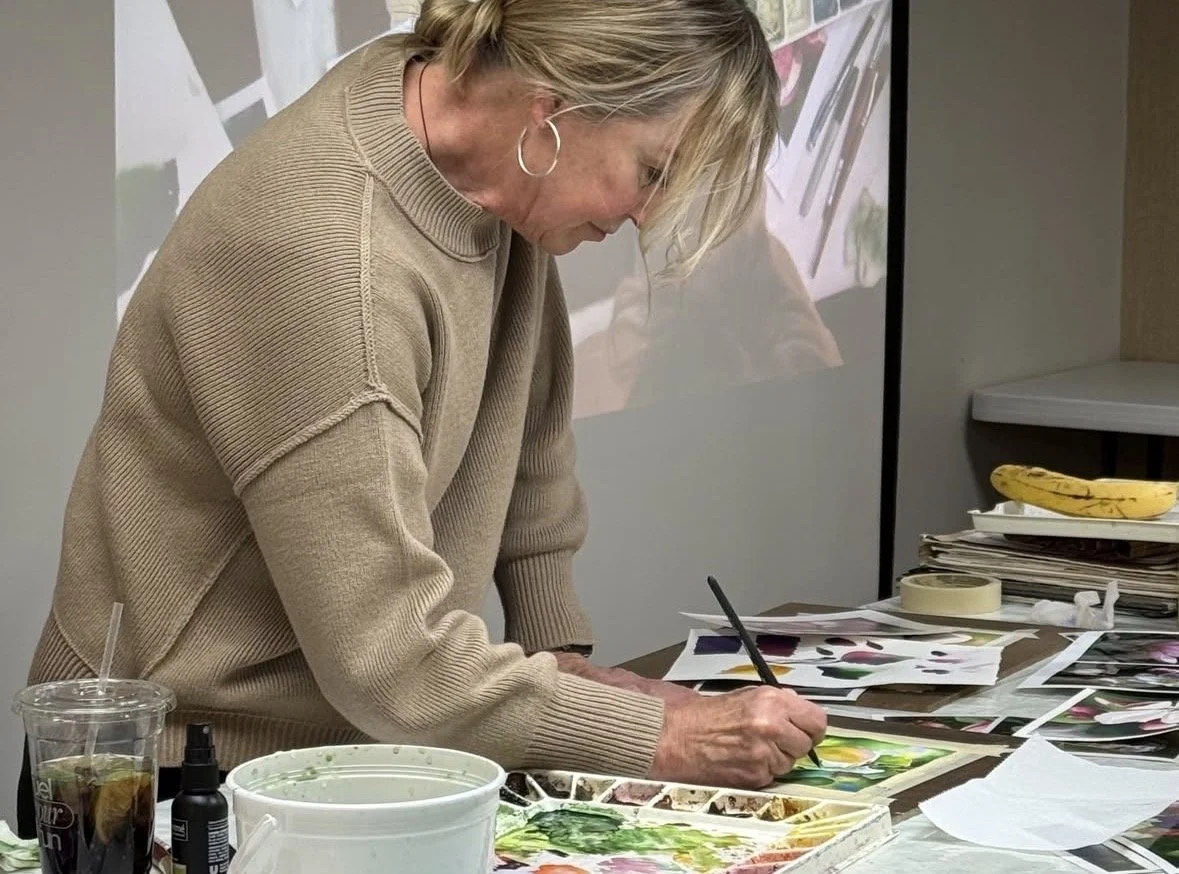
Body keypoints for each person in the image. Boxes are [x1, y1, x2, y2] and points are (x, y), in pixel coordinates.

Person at [20, 0, 826, 834]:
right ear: (555, 107)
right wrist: (658, 736)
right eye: (653, 171)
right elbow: (389, 662)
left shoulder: (476, 160)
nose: (645, 215)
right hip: (180, 775)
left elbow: (528, 442)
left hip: (353, 748)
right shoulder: (321, 251)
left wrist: (561, 655)